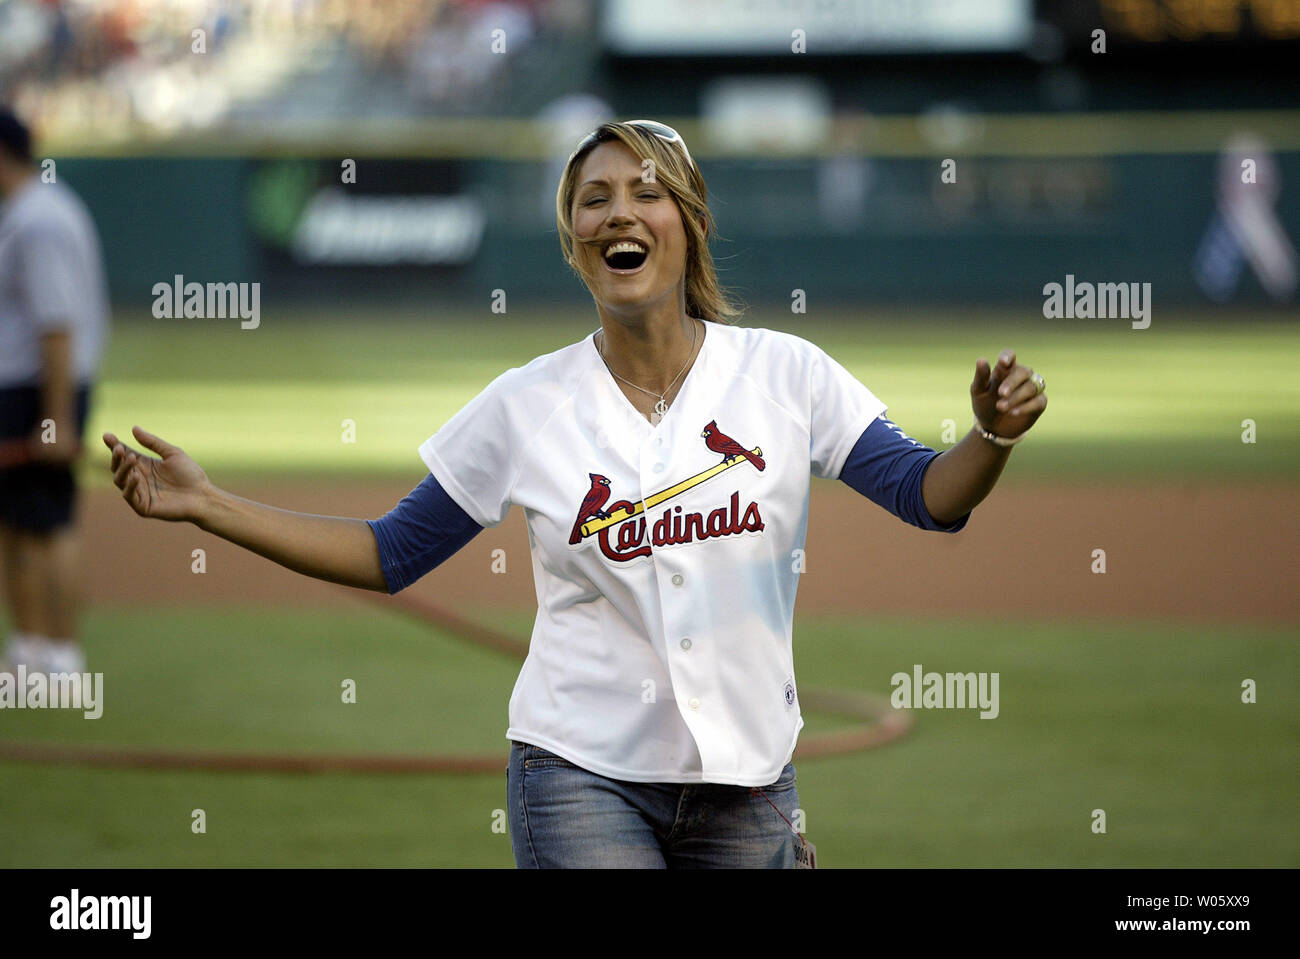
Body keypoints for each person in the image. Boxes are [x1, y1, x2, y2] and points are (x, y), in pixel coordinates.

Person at [102, 119, 1047, 868]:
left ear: (693, 221)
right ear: (573, 242)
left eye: (646, 192)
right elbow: (390, 553)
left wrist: (993, 433)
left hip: (751, 778)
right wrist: (207, 505)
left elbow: (929, 494)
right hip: (579, 771)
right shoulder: (527, 405)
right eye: (594, 200)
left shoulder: (785, 375)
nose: (618, 213)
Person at [0, 106, 109, 676]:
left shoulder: (40, 218)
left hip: (41, 392)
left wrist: (56, 421)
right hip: (26, 389)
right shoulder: (29, 210)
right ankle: (29, 649)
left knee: (49, 520)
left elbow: (56, 325)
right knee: (17, 523)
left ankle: (62, 655)